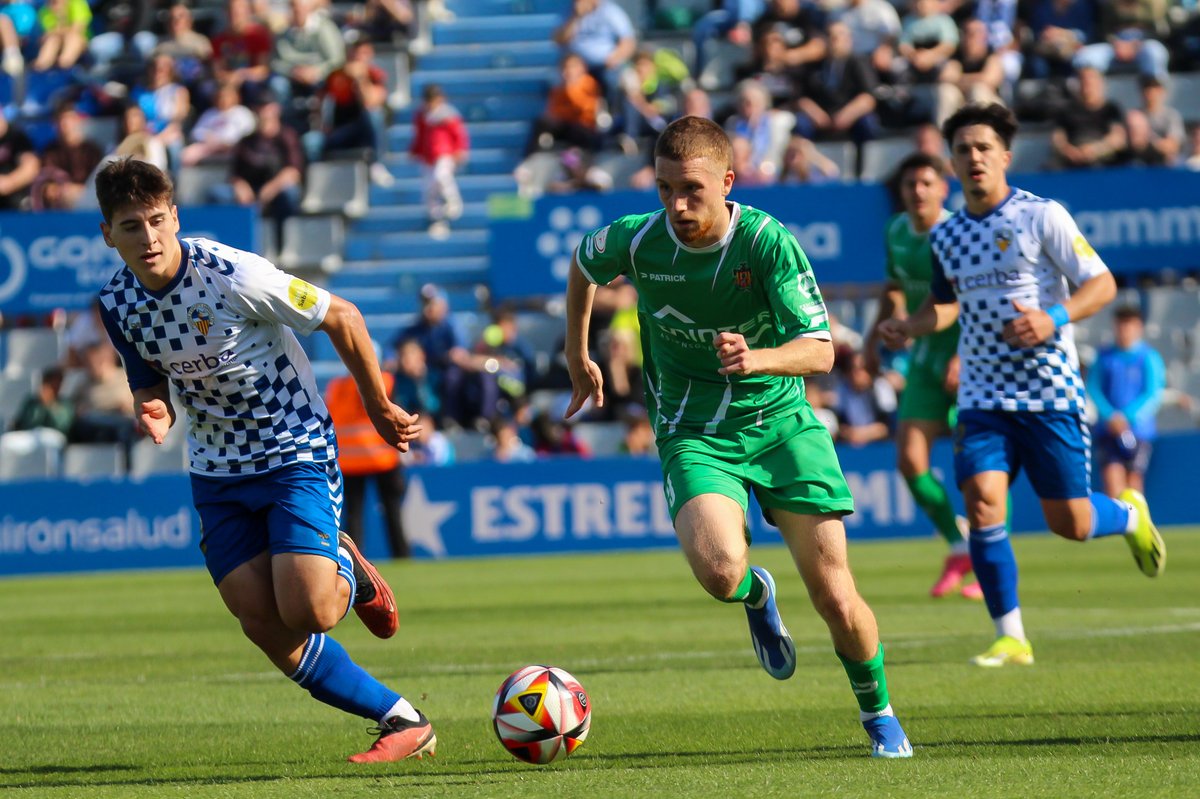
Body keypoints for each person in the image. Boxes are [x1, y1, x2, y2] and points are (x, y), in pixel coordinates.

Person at [565, 115, 913, 758]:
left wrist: (758, 358)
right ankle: (759, 593)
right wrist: (576, 351)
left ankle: (880, 715)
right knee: (722, 573)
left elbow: (821, 352)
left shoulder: (767, 244)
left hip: (780, 423)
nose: (677, 204)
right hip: (692, 429)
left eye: (692, 189)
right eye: (666, 188)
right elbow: (583, 265)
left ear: (728, 181)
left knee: (836, 596)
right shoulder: (639, 241)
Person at [93, 158, 435, 762]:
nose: (147, 238)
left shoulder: (231, 274)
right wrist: (153, 407)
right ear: (107, 233)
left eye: (154, 221)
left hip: (291, 448)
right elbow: (147, 376)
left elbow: (343, 316)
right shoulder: (118, 302)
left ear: (174, 216)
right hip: (216, 470)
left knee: (311, 610)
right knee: (264, 623)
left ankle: (347, 570)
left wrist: (378, 405)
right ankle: (401, 719)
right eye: (129, 226)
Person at [878, 103, 1165, 668]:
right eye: (963, 150)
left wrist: (1052, 319)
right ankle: (1011, 636)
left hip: (1049, 393)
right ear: (954, 164)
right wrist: (909, 326)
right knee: (983, 503)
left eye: (983, 147)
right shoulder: (949, 236)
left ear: (1004, 156)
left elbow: (1101, 284)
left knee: (1071, 523)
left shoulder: (1042, 216)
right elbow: (943, 305)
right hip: (982, 396)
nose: (974, 157)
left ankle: (1129, 514)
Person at [865, 151, 979, 600]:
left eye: (926, 184)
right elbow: (894, 288)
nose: (916, 192)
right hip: (926, 358)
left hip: (970, 359)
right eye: (910, 184)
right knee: (910, 461)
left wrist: (967, 355)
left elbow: (972, 300)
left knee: (978, 470)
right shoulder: (896, 230)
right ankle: (957, 546)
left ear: (942, 189)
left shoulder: (956, 233)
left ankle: (991, 563)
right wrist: (877, 335)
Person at [325, 366, 410, 559]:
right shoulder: (386, 381)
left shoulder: (336, 386)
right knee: (392, 512)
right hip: (382, 458)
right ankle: (402, 555)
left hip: (351, 460)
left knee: (353, 516)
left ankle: (353, 561)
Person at [1086, 305, 1164, 498]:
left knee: (1134, 485)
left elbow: (1153, 393)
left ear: (1139, 327)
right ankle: (1121, 523)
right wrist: (1111, 416)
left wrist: (1127, 417)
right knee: (1112, 482)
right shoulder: (1104, 357)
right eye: (1121, 325)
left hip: (1138, 430)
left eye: (1129, 325)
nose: (1124, 330)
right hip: (1108, 430)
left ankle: (1136, 524)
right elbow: (1093, 388)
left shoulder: (1148, 357)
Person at [409, 84, 468, 239]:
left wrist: (460, 149)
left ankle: (453, 201)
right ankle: (436, 218)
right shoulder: (421, 117)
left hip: (444, 154)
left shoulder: (448, 115)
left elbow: (458, 134)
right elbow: (419, 137)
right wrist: (414, 150)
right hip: (427, 157)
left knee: (441, 176)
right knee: (429, 189)